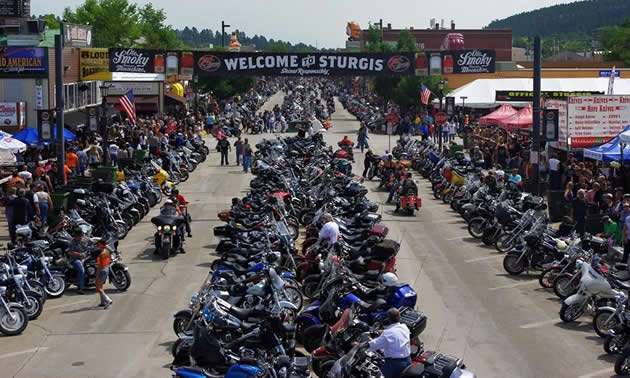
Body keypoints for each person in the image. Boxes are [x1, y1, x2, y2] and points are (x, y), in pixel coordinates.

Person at [367, 308, 411, 378]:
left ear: (388, 319)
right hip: (408, 360)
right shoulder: (404, 327)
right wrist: (382, 331)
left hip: (394, 364)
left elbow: (374, 345)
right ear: (399, 317)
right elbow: (395, 333)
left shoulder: (388, 334)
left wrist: (359, 344)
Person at [68, 226, 88, 294]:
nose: (77, 237)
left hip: (86, 257)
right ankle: (80, 288)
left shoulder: (85, 239)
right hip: (75, 259)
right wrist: (79, 254)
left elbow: (93, 242)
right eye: (76, 236)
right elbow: (70, 252)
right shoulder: (72, 242)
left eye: (79, 235)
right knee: (81, 270)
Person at [94, 238, 113, 308]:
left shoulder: (102, 254)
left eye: (98, 244)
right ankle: (103, 302)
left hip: (102, 270)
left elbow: (101, 266)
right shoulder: (107, 251)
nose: (97, 246)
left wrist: (97, 274)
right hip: (106, 269)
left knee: (98, 288)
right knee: (101, 287)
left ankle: (108, 300)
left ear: (101, 245)